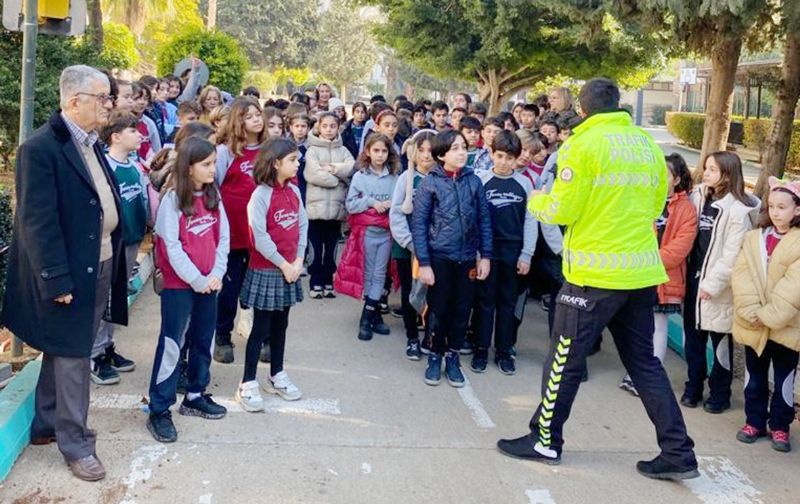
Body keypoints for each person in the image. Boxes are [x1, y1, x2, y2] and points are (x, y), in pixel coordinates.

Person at [497, 78, 699, 481]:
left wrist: (536, 199)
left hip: (593, 275)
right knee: (645, 364)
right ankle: (679, 452)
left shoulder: (582, 146)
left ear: (584, 111)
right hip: (639, 272)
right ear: (618, 105)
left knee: (562, 361)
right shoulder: (645, 145)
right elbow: (659, 198)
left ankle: (545, 439)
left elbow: (563, 209)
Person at [3, 65, 128, 481]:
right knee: (75, 354)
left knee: (63, 347)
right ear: (75, 101)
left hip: (100, 261)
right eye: (103, 98)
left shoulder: (89, 142)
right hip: (71, 272)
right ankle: (76, 443)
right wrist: (55, 279)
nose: (109, 105)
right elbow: (36, 221)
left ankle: (44, 425)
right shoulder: (41, 148)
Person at [147, 137, 230, 443]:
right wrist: (198, 279)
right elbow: (172, 246)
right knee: (172, 343)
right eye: (206, 164)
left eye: (213, 163)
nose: (213, 169)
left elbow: (223, 238)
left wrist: (217, 273)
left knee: (203, 340)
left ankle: (195, 394)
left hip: (210, 283)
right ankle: (159, 408)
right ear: (189, 167)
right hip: (180, 285)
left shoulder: (213, 196)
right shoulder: (172, 200)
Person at [412, 130, 492, 388]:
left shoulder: (474, 182)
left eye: (464, 147)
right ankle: (435, 355)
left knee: (461, 309)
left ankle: (453, 356)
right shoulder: (430, 183)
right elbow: (420, 226)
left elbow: (484, 222)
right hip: (439, 258)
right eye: (455, 148)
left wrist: (485, 256)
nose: (461, 153)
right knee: (438, 309)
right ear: (442, 154)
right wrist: (424, 263)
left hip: (467, 258)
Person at [682, 151, 760, 412]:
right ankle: (693, 387)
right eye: (706, 168)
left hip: (718, 289)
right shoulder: (700, 195)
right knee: (693, 340)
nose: (706, 173)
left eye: (713, 169)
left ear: (728, 173)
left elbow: (732, 255)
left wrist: (712, 285)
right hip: (693, 280)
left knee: (720, 345)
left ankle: (720, 394)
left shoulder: (738, 210)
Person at [235, 138, 307, 410]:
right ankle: (247, 383)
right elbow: (259, 237)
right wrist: (283, 263)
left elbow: (302, 224)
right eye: (292, 160)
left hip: (290, 268)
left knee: (281, 324)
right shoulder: (260, 195)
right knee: (261, 328)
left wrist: (298, 259)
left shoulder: (294, 192)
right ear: (276, 163)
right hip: (268, 270)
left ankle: (276, 374)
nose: (297, 164)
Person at [619, 154, 697, 397]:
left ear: (677, 179)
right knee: (637, 327)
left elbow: (680, 248)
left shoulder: (686, 209)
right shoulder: (643, 200)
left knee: (658, 327)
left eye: (664, 174)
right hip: (638, 275)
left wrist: (648, 261)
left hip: (665, 277)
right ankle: (634, 373)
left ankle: (649, 379)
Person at [731, 177, 800, 453]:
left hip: (787, 324)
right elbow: (742, 274)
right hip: (754, 322)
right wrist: (751, 312)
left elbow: (794, 286)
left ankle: (780, 425)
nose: (775, 211)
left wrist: (769, 314)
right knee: (754, 375)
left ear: (797, 210)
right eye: (771, 206)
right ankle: (754, 420)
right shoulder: (754, 238)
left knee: (784, 378)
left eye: (782, 207)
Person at [90, 111, 150, 385]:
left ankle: (106, 345)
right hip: (112, 243)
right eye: (133, 131)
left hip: (132, 240)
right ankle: (93, 355)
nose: (140, 135)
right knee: (102, 299)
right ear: (116, 136)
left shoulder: (135, 166)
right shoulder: (105, 167)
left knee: (116, 299)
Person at [473, 131, 536, 375]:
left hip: (513, 251)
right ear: (491, 154)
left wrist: (527, 254)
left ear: (517, 158)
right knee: (484, 302)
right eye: (499, 156)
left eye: (510, 158)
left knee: (508, 304)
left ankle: (504, 351)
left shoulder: (525, 184)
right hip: (488, 252)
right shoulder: (481, 180)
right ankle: (480, 348)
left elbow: (531, 221)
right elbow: (476, 220)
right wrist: (480, 253)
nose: (503, 162)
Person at [213, 98, 265, 364]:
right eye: (249, 116)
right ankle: (222, 336)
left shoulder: (268, 151)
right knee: (230, 290)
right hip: (233, 234)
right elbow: (214, 188)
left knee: (262, 288)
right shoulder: (225, 152)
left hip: (263, 235)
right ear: (237, 121)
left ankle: (263, 337)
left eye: (258, 114)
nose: (257, 119)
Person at [336, 134, 400, 340]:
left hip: (387, 234)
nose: (380, 155)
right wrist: (372, 202)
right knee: (370, 275)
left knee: (381, 275)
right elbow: (351, 204)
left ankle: (368, 316)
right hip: (367, 234)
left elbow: (400, 203)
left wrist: (391, 204)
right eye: (376, 151)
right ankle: (371, 317)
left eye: (384, 151)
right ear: (368, 152)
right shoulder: (360, 176)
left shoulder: (395, 177)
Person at [390, 129, 437, 358]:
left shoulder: (442, 178)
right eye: (421, 151)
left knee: (433, 293)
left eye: (430, 151)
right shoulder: (406, 179)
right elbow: (397, 213)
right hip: (407, 247)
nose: (426, 156)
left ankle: (430, 334)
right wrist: (410, 243)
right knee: (410, 292)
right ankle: (411, 337)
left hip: (435, 247)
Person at [305, 112, 356, 298]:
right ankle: (315, 281)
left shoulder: (343, 150)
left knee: (332, 249)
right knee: (315, 248)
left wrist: (331, 168)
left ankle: (328, 281)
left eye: (332, 126)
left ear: (338, 127)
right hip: (315, 211)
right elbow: (313, 173)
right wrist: (336, 179)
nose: (328, 130)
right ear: (319, 126)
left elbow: (351, 168)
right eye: (325, 126)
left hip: (336, 211)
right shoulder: (312, 150)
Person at [288, 113, 311, 202]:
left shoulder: (312, 146)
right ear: (291, 127)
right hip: (290, 184)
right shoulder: (286, 146)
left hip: (307, 186)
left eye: (303, 126)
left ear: (308, 128)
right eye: (296, 126)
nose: (300, 129)